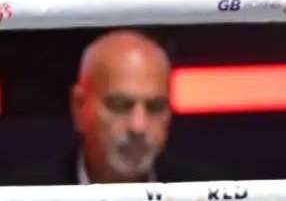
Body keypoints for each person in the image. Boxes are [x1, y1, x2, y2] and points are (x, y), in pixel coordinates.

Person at [0, 29, 212, 185]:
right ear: (78, 107)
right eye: (120, 105)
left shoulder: (206, 192)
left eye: (155, 107)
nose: (138, 127)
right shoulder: (22, 194)